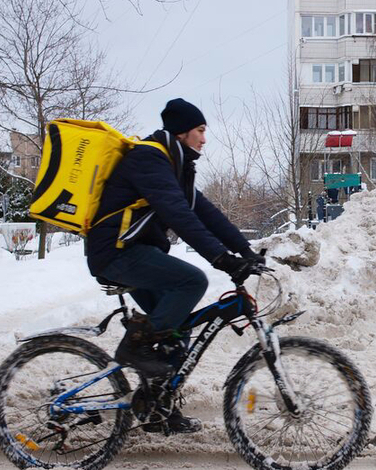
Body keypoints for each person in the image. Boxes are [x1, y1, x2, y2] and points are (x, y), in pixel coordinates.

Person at [85, 98, 265, 433]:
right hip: (116, 252)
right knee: (191, 282)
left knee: (175, 332)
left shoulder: (173, 165)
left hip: (134, 252)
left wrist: (245, 251)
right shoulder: (149, 158)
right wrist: (222, 260)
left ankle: (155, 409)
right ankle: (135, 347)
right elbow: (177, 215)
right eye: (200, 130)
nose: (204, 139)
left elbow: (206, 213)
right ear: (182, 132)